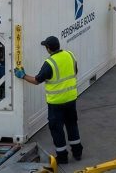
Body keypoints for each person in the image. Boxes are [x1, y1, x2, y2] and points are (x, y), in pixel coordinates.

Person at [14, 36, 83, 164]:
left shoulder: (50, 63)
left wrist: (22, 75)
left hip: (56, 103)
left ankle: (62, 157)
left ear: (48, 49)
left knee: (56, 129)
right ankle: (77, 153)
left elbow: (36, 80)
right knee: (72, 124)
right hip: (71, 98)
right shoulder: (70, 55)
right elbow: (75, 71)